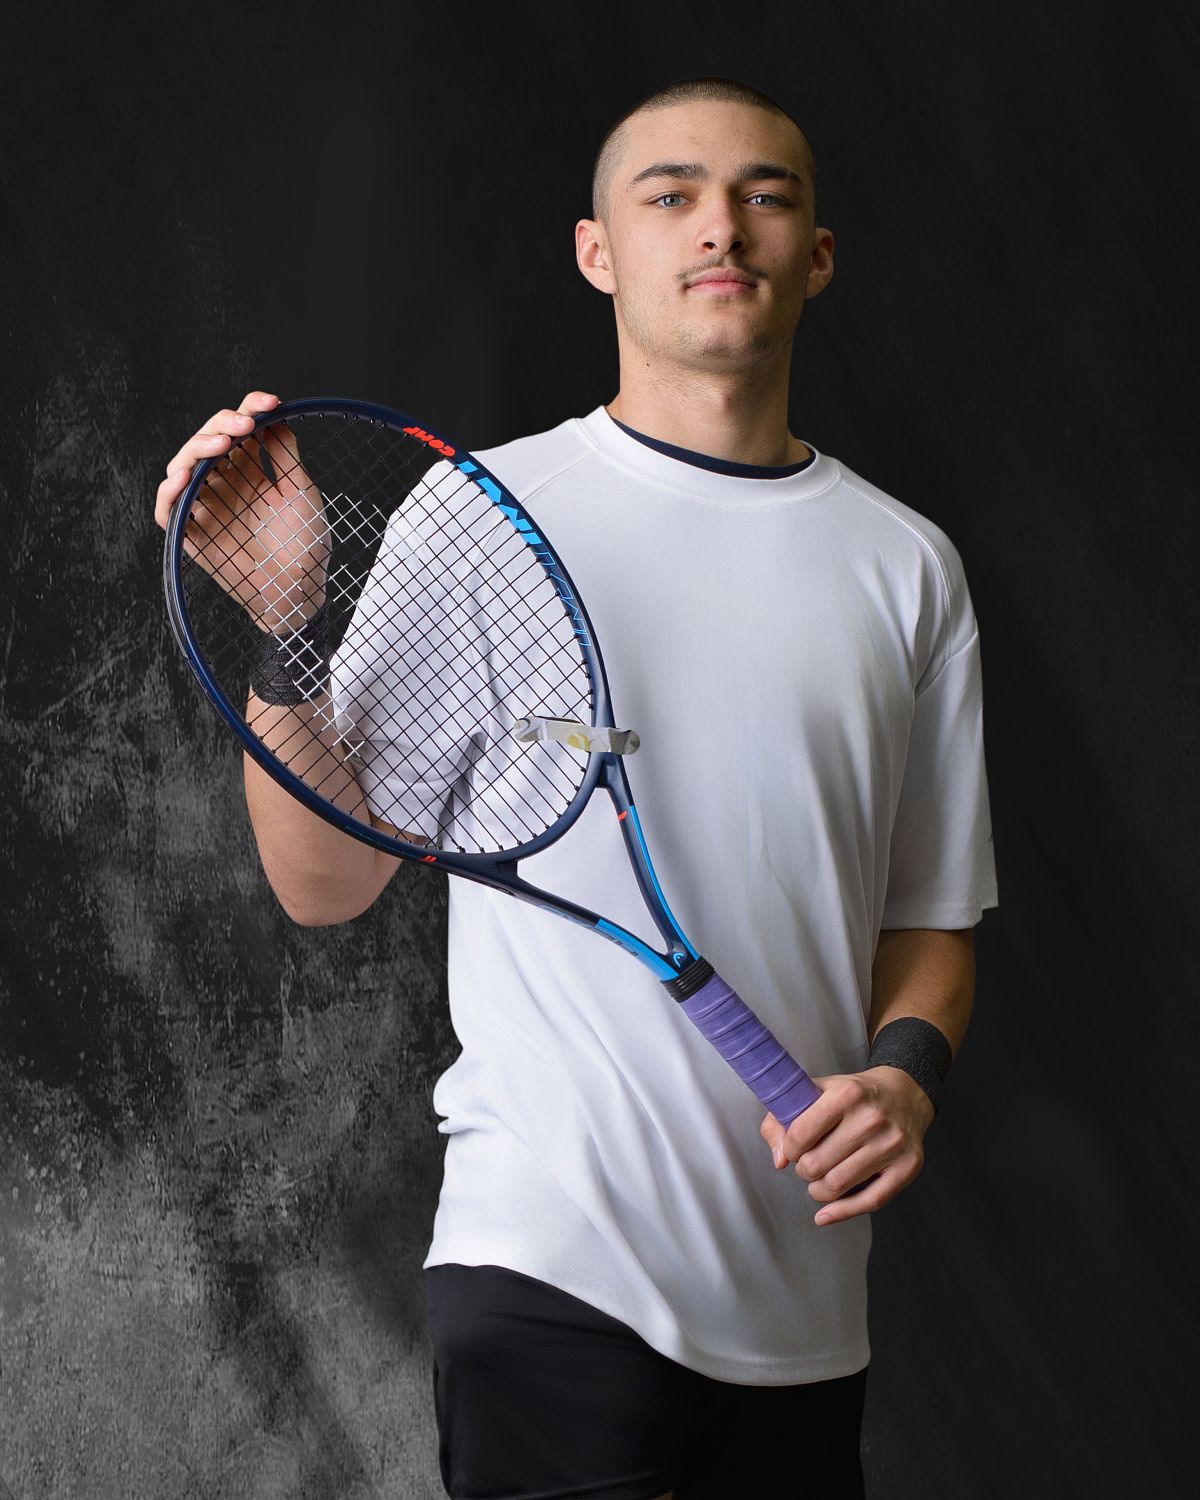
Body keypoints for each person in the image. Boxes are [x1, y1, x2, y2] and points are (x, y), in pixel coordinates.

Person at [155, 75, 998, 1500]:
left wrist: (907, 1083)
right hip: (548, 1271)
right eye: (667, 196)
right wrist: (289, 629)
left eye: (763, 196)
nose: (718, 227)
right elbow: (328, 881)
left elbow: (931, 924)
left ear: (820, 254)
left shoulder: (907, 567)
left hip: (804, 1310)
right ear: (600, 253)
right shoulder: (489, 512)